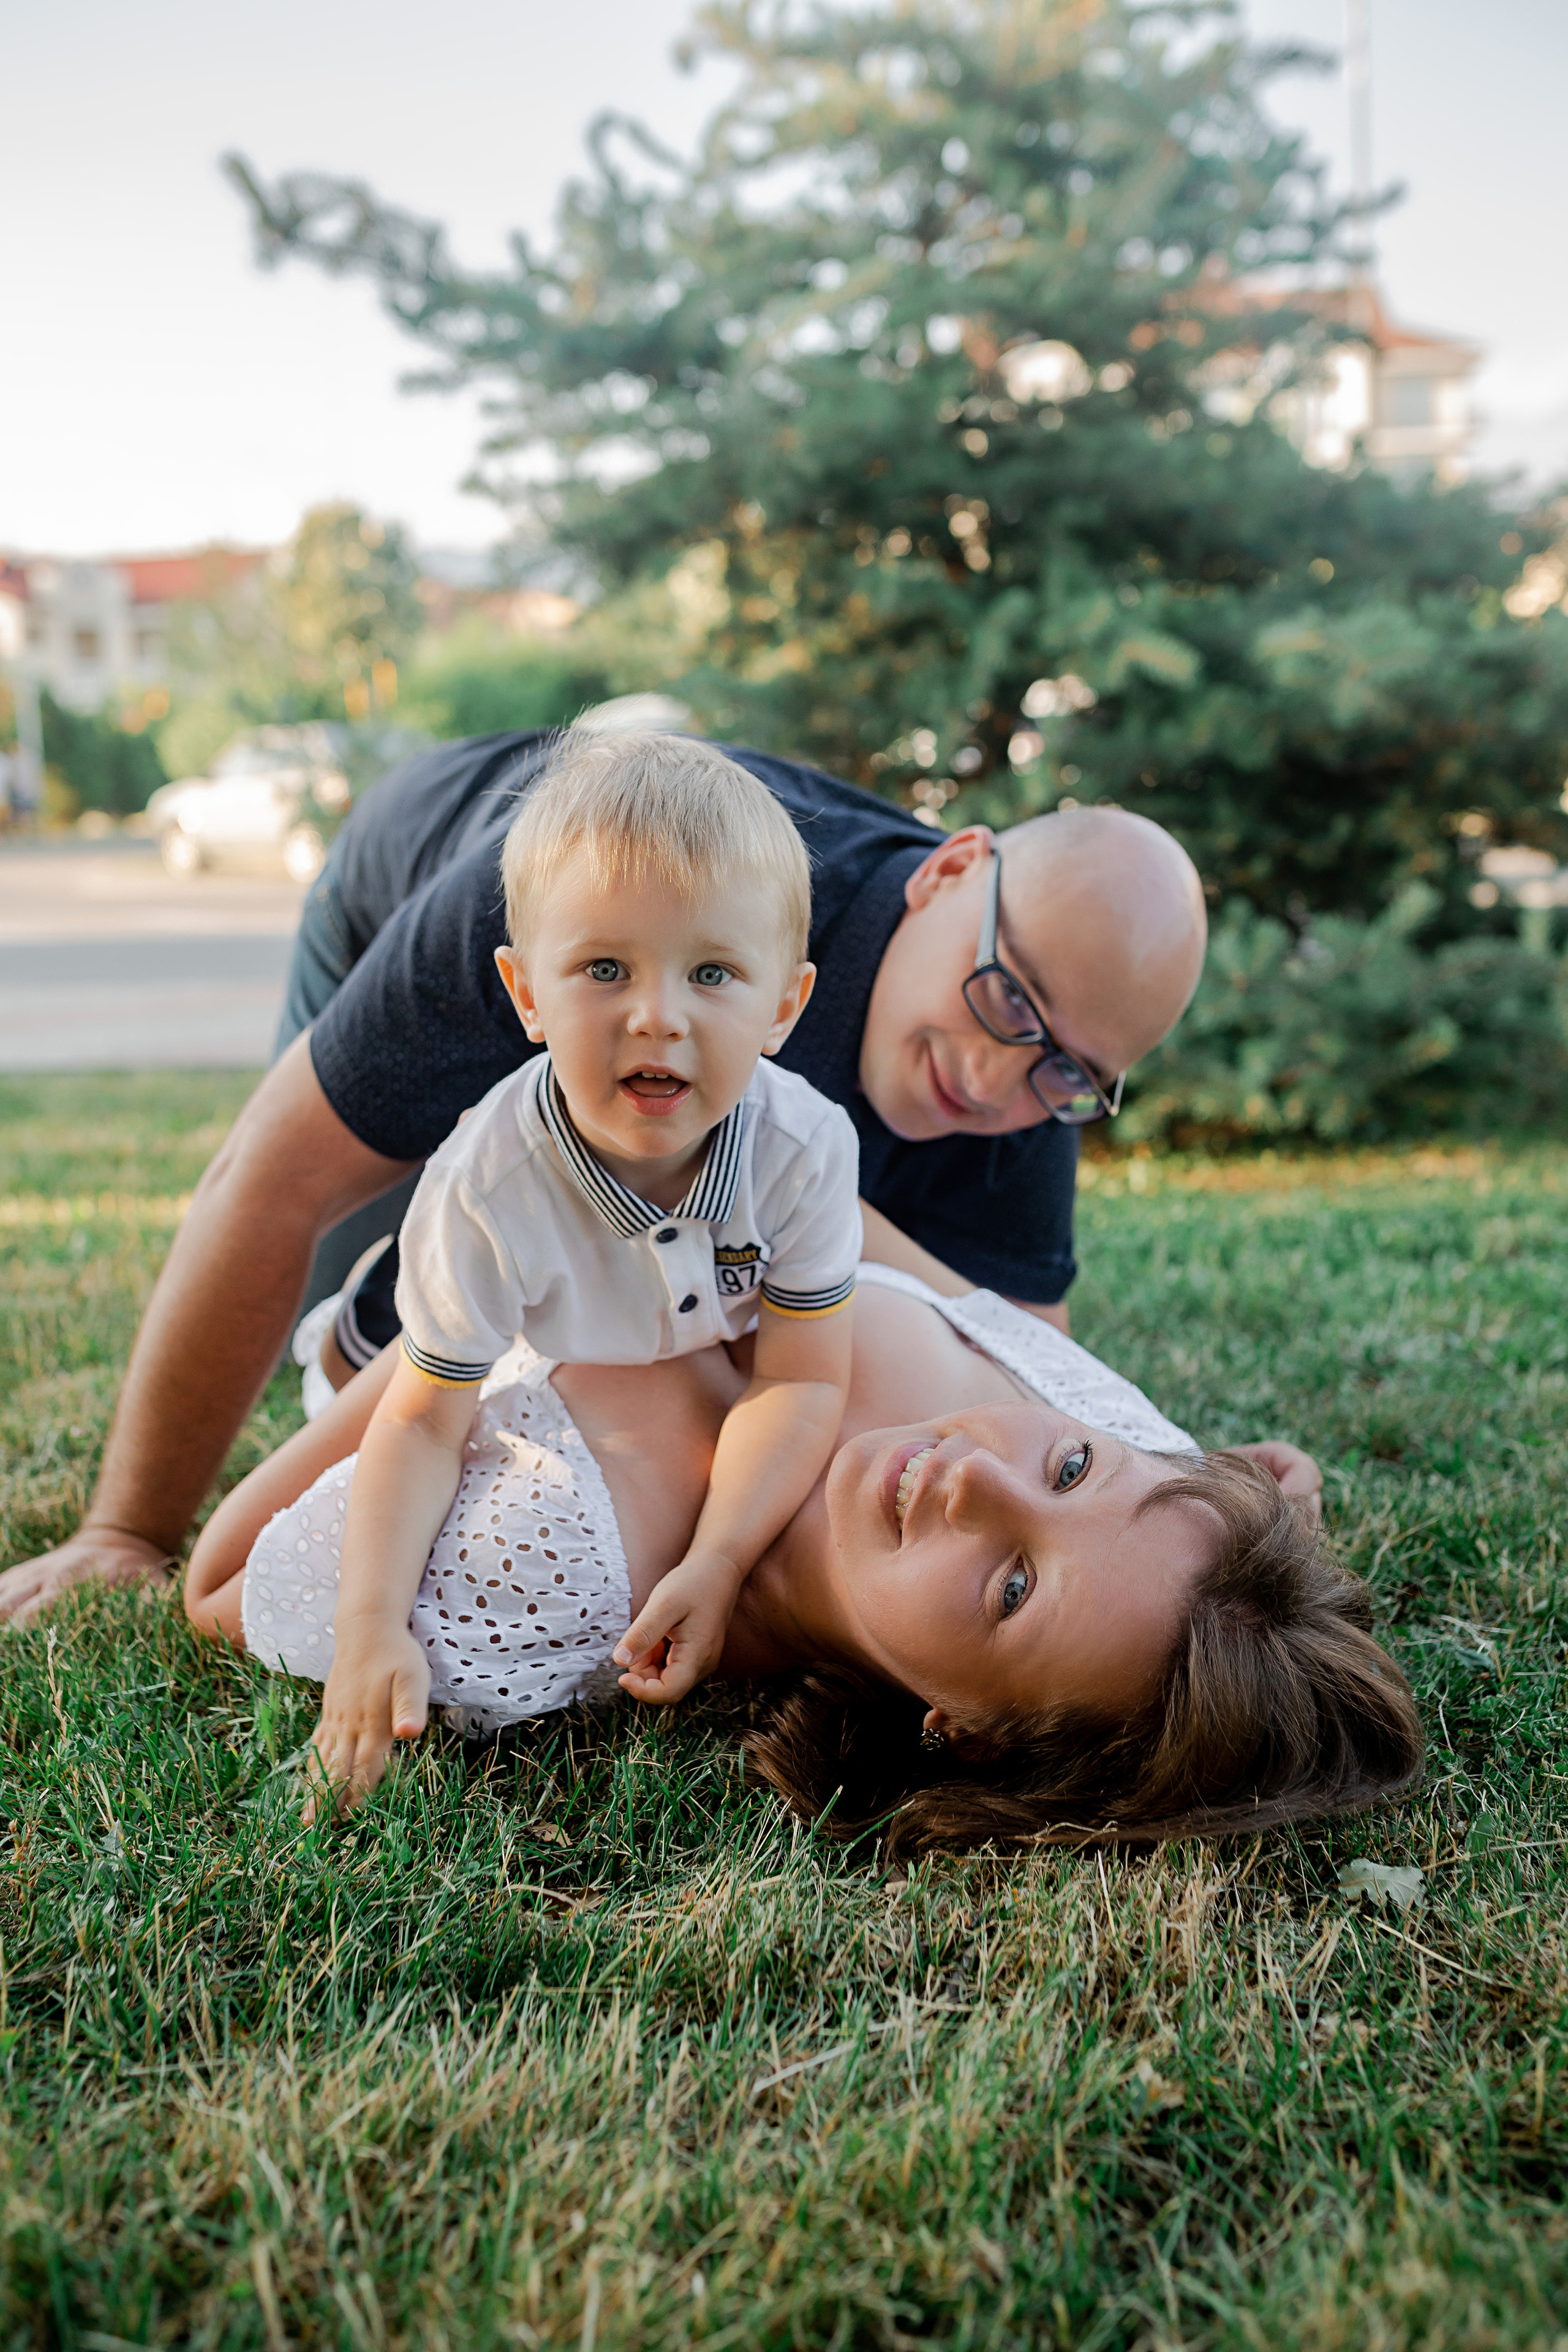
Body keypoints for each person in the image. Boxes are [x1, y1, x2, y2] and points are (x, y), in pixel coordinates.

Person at [0, 720, 1210, 1627]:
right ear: (947, 871)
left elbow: (1010, 1360)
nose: (1002, 1077)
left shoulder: (1040, 1064)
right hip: (408, 872)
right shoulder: (575, 933)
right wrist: (126, 1531)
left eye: (1064, 1073)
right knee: (347, 1327)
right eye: (1005, 1004)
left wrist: (1192, 1481)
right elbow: (267, 1182)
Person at [184, 1260, 1421, 1851]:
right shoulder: (1126, 1461)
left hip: (377, 1300)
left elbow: (216, 1587)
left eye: (1010, 1584)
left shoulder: (556, 1553)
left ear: (965, 1728)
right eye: (1066, 1470)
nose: (968, 1477)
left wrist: (505, 1295)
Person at [314, 731, 861, 1814]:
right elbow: (424, 1424)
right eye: (605, 968)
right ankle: (326, 1366)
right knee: (236, 1580)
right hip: (427, 1350)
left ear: (784, 1008)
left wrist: (716, 1561)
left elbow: (800, 1380)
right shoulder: (485, 1182)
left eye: (712, 973)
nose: (657, 1013)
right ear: (527, 992)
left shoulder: (805, 1147)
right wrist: (368, 1623)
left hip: (626, 1351)